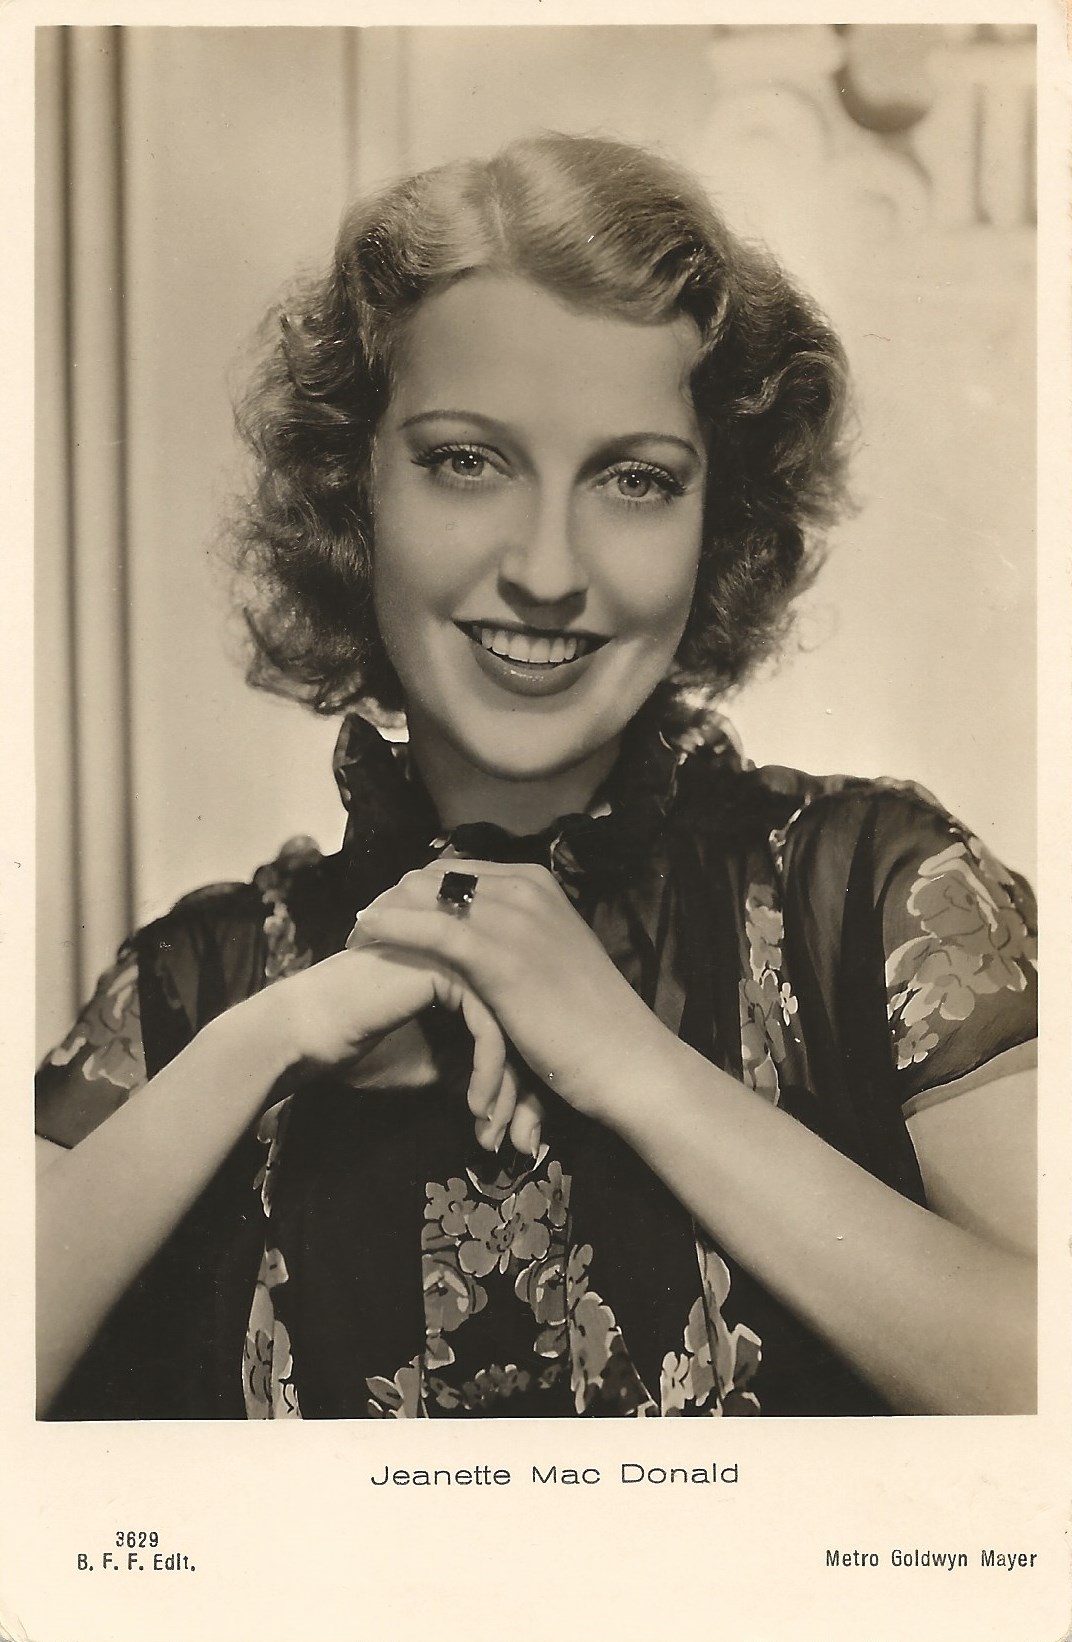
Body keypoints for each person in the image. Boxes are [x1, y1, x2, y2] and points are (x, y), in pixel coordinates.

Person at [35, 132, 1037, 1420]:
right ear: (355, 491)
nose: (549, 571)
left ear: (718, 521)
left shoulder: (878, 898)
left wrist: (633, 1063)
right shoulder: (202, 982)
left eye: (635, 479)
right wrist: (264, 1039)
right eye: (467, 460)